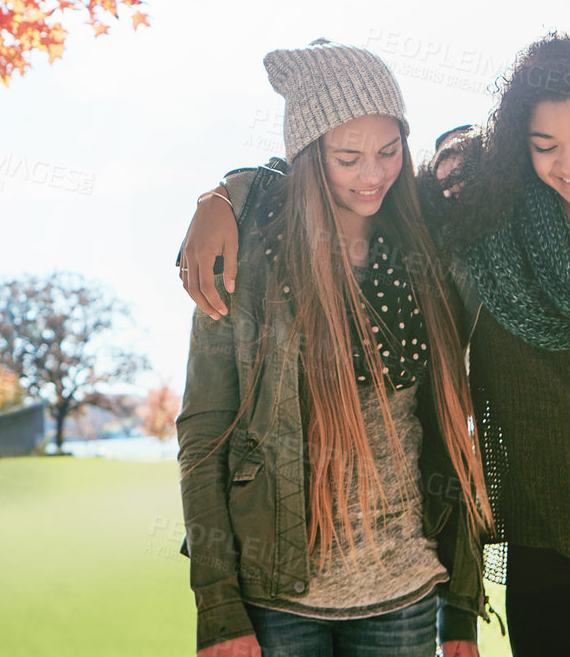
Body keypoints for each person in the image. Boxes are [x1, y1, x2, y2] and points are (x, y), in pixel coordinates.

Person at [180, 34, 570, 657]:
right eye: (544, 145)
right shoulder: (479, 239)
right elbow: (206, 431)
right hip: (536, 559)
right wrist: (225, 193)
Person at [175, 39, 492, 657]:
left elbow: (455, 437)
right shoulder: (245, 259)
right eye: (348, 157)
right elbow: (204, 430)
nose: (373, 174)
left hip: (406, 595)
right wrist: (218, 607)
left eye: (389, 150)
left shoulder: (427, 250)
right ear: (308, 156)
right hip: (275, 601)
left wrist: (461, 615)